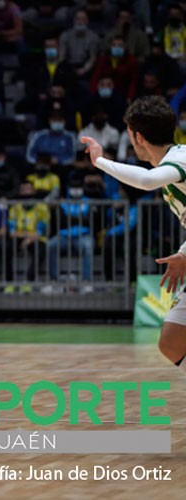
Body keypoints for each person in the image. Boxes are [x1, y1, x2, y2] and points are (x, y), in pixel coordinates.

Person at [81, 95, 186, 373]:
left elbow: (147, 181)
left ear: (137, 136)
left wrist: (101, 161)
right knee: (172, 342)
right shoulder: (171, 163)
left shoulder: (179, 159)